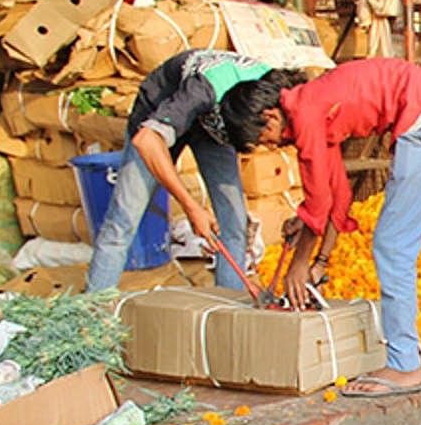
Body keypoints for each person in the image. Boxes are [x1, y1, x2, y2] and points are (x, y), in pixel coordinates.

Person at [220, 57, 421, 398]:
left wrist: (299, 265)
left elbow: (317, 206)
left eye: (266, 138)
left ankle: (405, 366)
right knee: (393, 244)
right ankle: (403, 358)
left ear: (270, 116)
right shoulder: (312, 106)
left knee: (393, 247)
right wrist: (319, 262)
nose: (272, 146)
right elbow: (336, 197)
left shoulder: (305, 115)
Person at [86, 49, 284, 292]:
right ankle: (93, 312)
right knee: (123, 220)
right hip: (158, 115)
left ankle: (231, 309)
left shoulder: (276, 89)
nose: (272, 146)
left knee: (234, 225)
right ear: (267, 118)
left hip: (215, 126)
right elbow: (146, 141)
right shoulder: (200, 92)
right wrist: (192, 208)